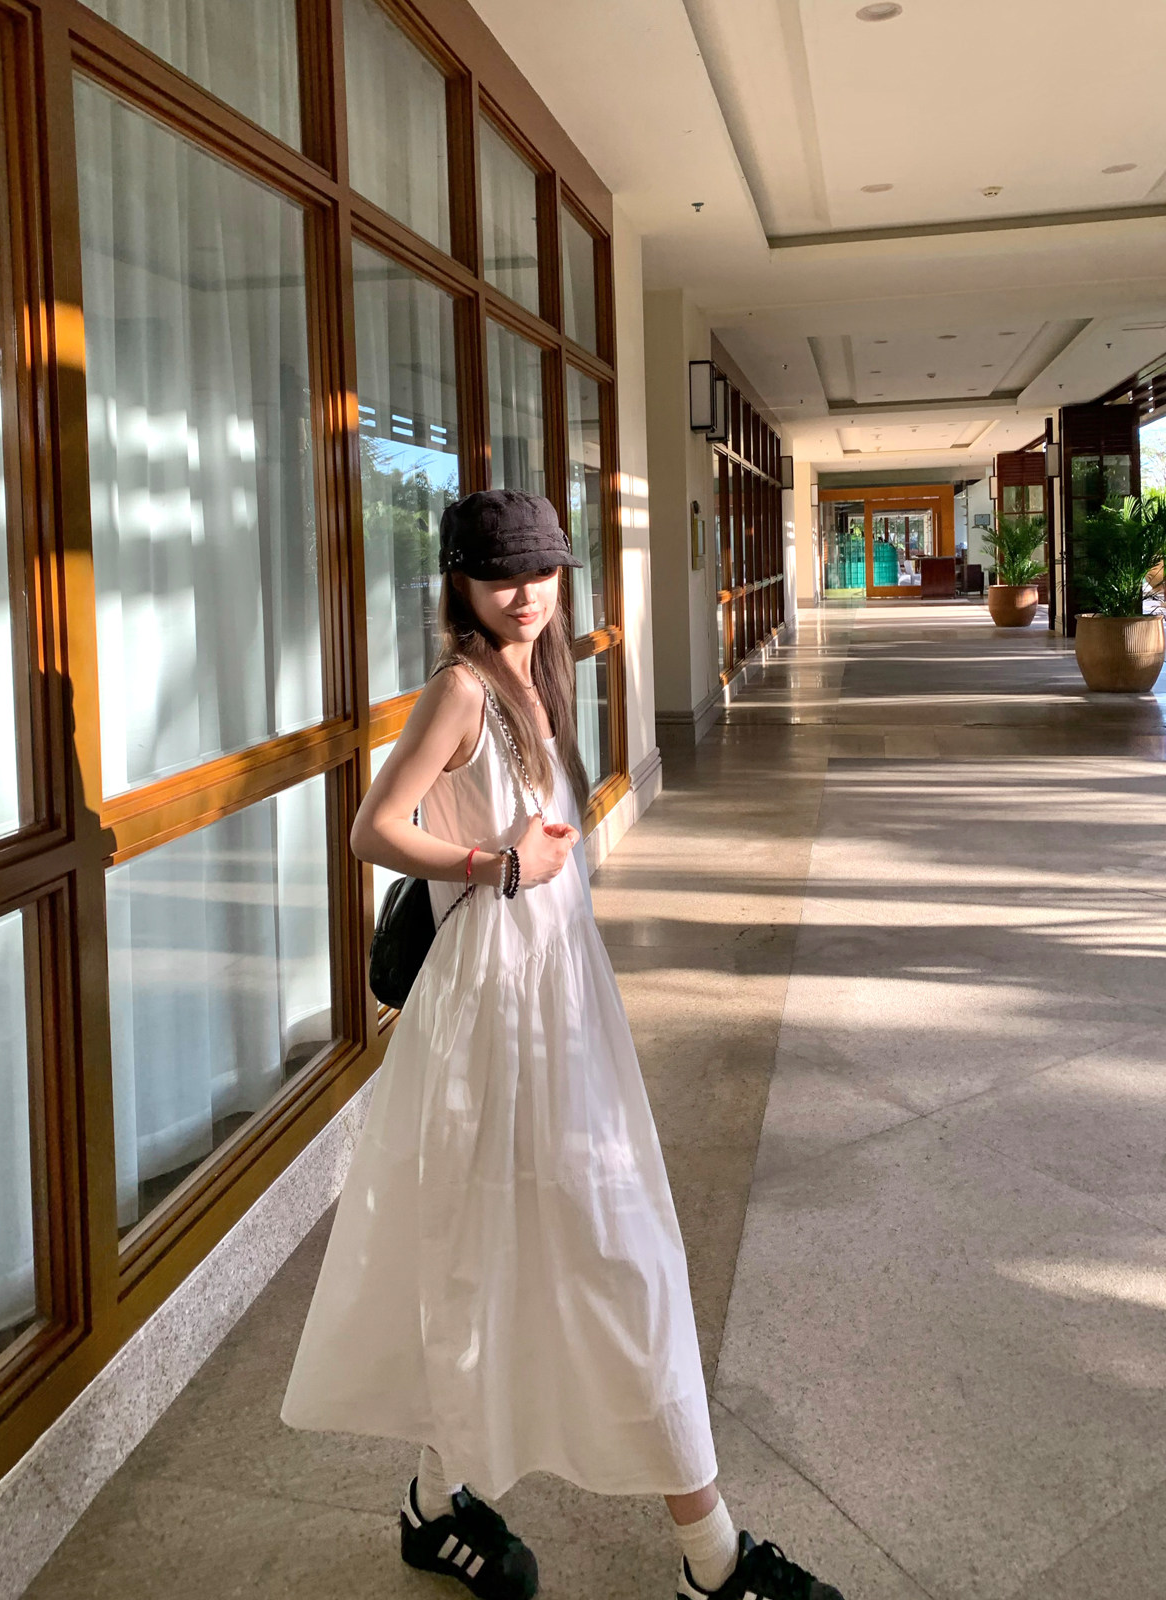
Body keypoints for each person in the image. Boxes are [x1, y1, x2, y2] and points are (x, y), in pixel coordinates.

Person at [281, 489, 844, 1600]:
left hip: (551, 1001)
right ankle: (712, 1559)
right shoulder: (460, 687)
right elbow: (372, 828)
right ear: (461, 583)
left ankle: (436, 1500)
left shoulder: (534, 674)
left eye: (540, 571)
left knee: (506, 1246)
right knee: (602, 1250)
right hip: (494, 1012)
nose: (526, 593)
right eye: (501, 575)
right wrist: (499, 864)